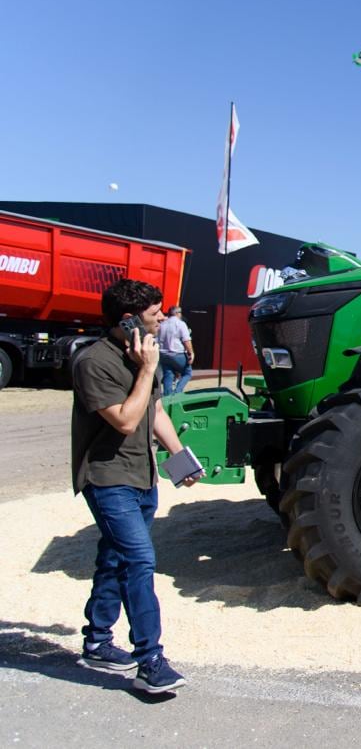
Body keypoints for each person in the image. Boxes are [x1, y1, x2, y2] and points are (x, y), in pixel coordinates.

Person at [71, 278, 200, 693]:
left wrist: (179, 458)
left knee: (114, 558)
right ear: (128, 321)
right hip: (108, 479)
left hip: (143, 476)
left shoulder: (145, 352)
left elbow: (155, 409)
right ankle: (151, 660)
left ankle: (96, 640)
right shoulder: (95, 362)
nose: (162, 318)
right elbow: (126, 419)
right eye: (154, 314)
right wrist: (146, 369)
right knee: (138, 562)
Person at [156, 305, 194, 396]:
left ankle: (167, 394)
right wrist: (191, 352)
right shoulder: (181, 324)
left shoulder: (162, 324)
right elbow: (186, 340)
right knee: (187, 372)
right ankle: (177, 391)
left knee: (168, 374)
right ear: (177, 313)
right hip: (177, 354)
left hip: (163, 354)